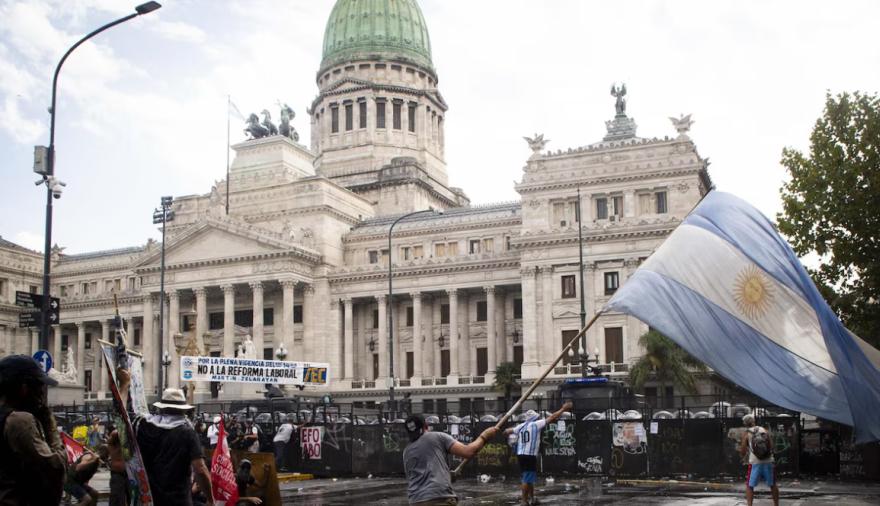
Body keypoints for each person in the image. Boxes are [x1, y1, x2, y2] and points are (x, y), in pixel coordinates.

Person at [118, 366, 214, 506]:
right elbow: (199, 468)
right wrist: (210, 498)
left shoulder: (144, 425)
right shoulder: (187, 432)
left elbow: (121, 420)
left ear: (162, 407)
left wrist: (124, 385)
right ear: (183, 411)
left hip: (148, 499)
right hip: (178, 500)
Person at [0, 354, 66, 505]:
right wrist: (49, 422)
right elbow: (55, 470)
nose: (42, 394)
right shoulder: (19, 421)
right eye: (40, 387)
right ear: (24, 388)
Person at [403, 414, 499, 505]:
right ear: (426, 426)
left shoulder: (406, 451)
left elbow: (416, 478)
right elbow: (468, 451)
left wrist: (447, 476)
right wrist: (485, 436)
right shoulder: (436, 437)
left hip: (415, 501)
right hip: (438, 498)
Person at [505, 401, 572, 506]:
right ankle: (524, 501)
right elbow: (553, 416)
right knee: (526, 478)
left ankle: (532, 498)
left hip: (521, 454)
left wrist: (502, 430)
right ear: (534, 418)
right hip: (529, 455)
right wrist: (563, 409)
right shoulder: (536, 424)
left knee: (529, 477)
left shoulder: (521, 426)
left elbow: (508, 431)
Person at [739, 413, 779, 506]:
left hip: (755, 462)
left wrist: (743, 454)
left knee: (750, 485)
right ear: (754, 421)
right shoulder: (763, 430)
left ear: (745, 424)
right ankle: (776, 505)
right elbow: (772, 445)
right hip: (768, 461)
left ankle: (750, 505)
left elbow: (743, 451)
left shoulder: (746, 433)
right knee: (773, 484)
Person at [105, 426, 130, 506]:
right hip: (118, 474)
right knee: (117, 500)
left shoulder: (127, 443)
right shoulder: (113, 441)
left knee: (132, 499)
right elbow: (116, 434)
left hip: (129, 474)